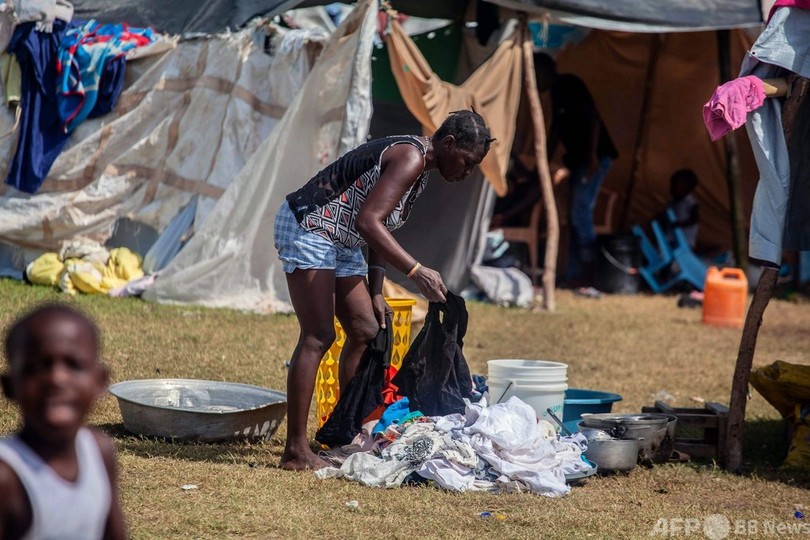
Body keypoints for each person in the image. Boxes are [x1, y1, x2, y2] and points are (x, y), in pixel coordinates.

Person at [275, 110, 493, 470]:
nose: (467, 172)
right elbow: (369, 221)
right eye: (467, 162)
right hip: (310, 226)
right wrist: (415, 271)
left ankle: (345, 432)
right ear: (449, 143)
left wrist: (376, 290)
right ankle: (295, 451)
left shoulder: (421, 170)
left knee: (366, 329)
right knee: (318, 335)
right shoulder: (410, 157)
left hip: (342, 239)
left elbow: (381, 226)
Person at [0, 303, 126, 540]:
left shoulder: (98, 451)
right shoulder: (6, 477)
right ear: (9, 387)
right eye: (38, 367)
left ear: (100, 381)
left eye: (73, 365)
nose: (57, 379)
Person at [534, 53, 619, 291]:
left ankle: (590, 273)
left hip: (594, 157)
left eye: (537, 72)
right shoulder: (556, 93)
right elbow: (555, 131)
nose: (535, 79)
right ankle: (573, 273)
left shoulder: (569, 84)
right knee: (573, 216)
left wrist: (592, 156)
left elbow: (592, 117)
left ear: (550, 69)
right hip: (579, 160)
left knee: (580, 213)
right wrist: (543, 160)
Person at [660, 168, 700, 249]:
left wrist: (680, 225)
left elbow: (695, 219)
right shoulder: (672, 202)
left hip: (685, 240)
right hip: (671, 238)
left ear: (687, 188)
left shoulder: (691, 203)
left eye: (675, 186)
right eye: (671, 185)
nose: (671, 189)